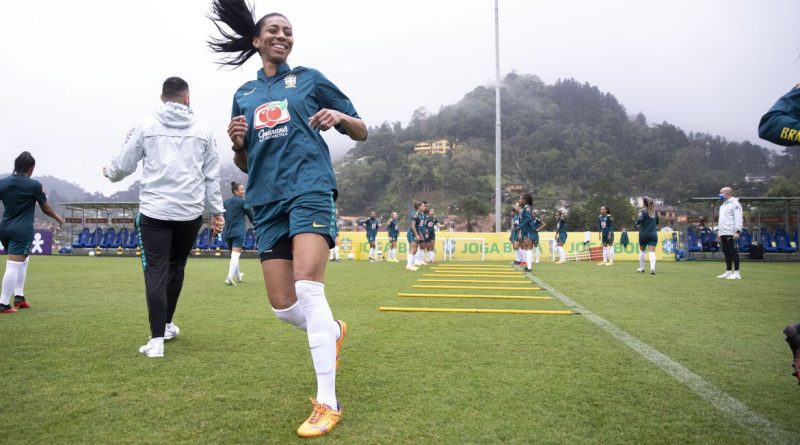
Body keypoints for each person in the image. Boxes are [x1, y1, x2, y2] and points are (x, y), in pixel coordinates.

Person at [209, 1, 367, 437]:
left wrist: (339, 117)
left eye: (288, 31)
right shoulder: (244, 94)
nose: (282, 36)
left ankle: (327, 402)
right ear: (257, 41)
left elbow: (362, 128)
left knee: (308, 289)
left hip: (310, 190)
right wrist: (238, 143)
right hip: (266, 201)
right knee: (284, 309)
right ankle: (333, 331)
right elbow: (244, 162)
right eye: (273, 31)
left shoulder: (310, 80)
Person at [104, 76, 225, 357]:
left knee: (156, 272)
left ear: (162, 98)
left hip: (155, 212)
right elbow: (211, 176)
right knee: (176, 268)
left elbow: (123, 163)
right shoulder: (205, 131)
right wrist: (217, 212)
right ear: (187, 98)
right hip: (189, 213)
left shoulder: (145, 126)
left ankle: (156, 339)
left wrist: (109, 173)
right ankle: (166, 324)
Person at [0, 151, 65, 313]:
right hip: (22, 230)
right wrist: (59, 218)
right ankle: (3, 304)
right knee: (13, 265)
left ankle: (19, 298)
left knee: (23, 259)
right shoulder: (34, 185)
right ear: (31, 168)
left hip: (5, 228)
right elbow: (46, 207)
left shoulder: (3, 183)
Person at [223, 181, 254, 285]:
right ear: (235, 191)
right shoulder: (243, 201)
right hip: (238, 232)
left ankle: (239, 276)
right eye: (241, 189)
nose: (243, 191)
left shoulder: (225, 202)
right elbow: (251, 216)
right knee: (235, 256)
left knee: (234, 256)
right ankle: (229, 278)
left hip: (227, 233)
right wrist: (256, 224)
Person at [716, 187, 743, 280]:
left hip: (731, 232)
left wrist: (737, 231)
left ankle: (737, 273)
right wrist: (719, 232)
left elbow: (738, 218)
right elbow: (721, 220)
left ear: (727, 193)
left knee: (733, 252)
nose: (719, 195)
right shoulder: (722, 206)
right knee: (726, 252)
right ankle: (728, 272)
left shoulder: (735, 204)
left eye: (721, 193)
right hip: (723, 232)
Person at [634, 197, 659, 274]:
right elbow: (657, 222)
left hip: (644, 234)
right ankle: (652, 268)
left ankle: (642, 268)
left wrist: (637, 224)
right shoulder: (655, 212)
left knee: (642, 251)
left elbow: (640, 220)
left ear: (644, 203)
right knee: (652, 252)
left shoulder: (642, 211)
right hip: (653, 234)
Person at [518, 194, 535, 272]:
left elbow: (528, 219)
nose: (519, 200)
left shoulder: (527, 207)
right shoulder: (524, 208)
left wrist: (520, 226)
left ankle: (529, 267)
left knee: (528, 248)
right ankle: (528, 266)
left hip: (528, 230)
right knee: (527, 248)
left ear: (525, 200)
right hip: (525, 230)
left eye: (520, 199)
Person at [406, 201, 425, 271]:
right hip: (411, 233)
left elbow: (418, 227)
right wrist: (416, 235)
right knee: (413, 248)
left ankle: (411, 264)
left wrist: (420, 234)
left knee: (415, 249)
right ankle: (408, 265)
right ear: (419, 207)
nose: (424, 207)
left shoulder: (420, 214)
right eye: (423, 206)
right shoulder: (415, 214)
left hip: (416, 233)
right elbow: (412, 226)